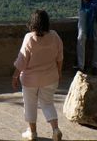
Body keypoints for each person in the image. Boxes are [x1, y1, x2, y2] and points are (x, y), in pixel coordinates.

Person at [12, 9, 64, 141]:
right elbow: (59, 57)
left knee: (30, 104)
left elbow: (21, 60)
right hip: (50, 77)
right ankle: (55, 129)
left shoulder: (29, 38)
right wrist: (59, 72)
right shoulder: (55, 36)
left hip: (30, 80)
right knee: (48, 103)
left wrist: (15, 76)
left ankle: (32, 132)